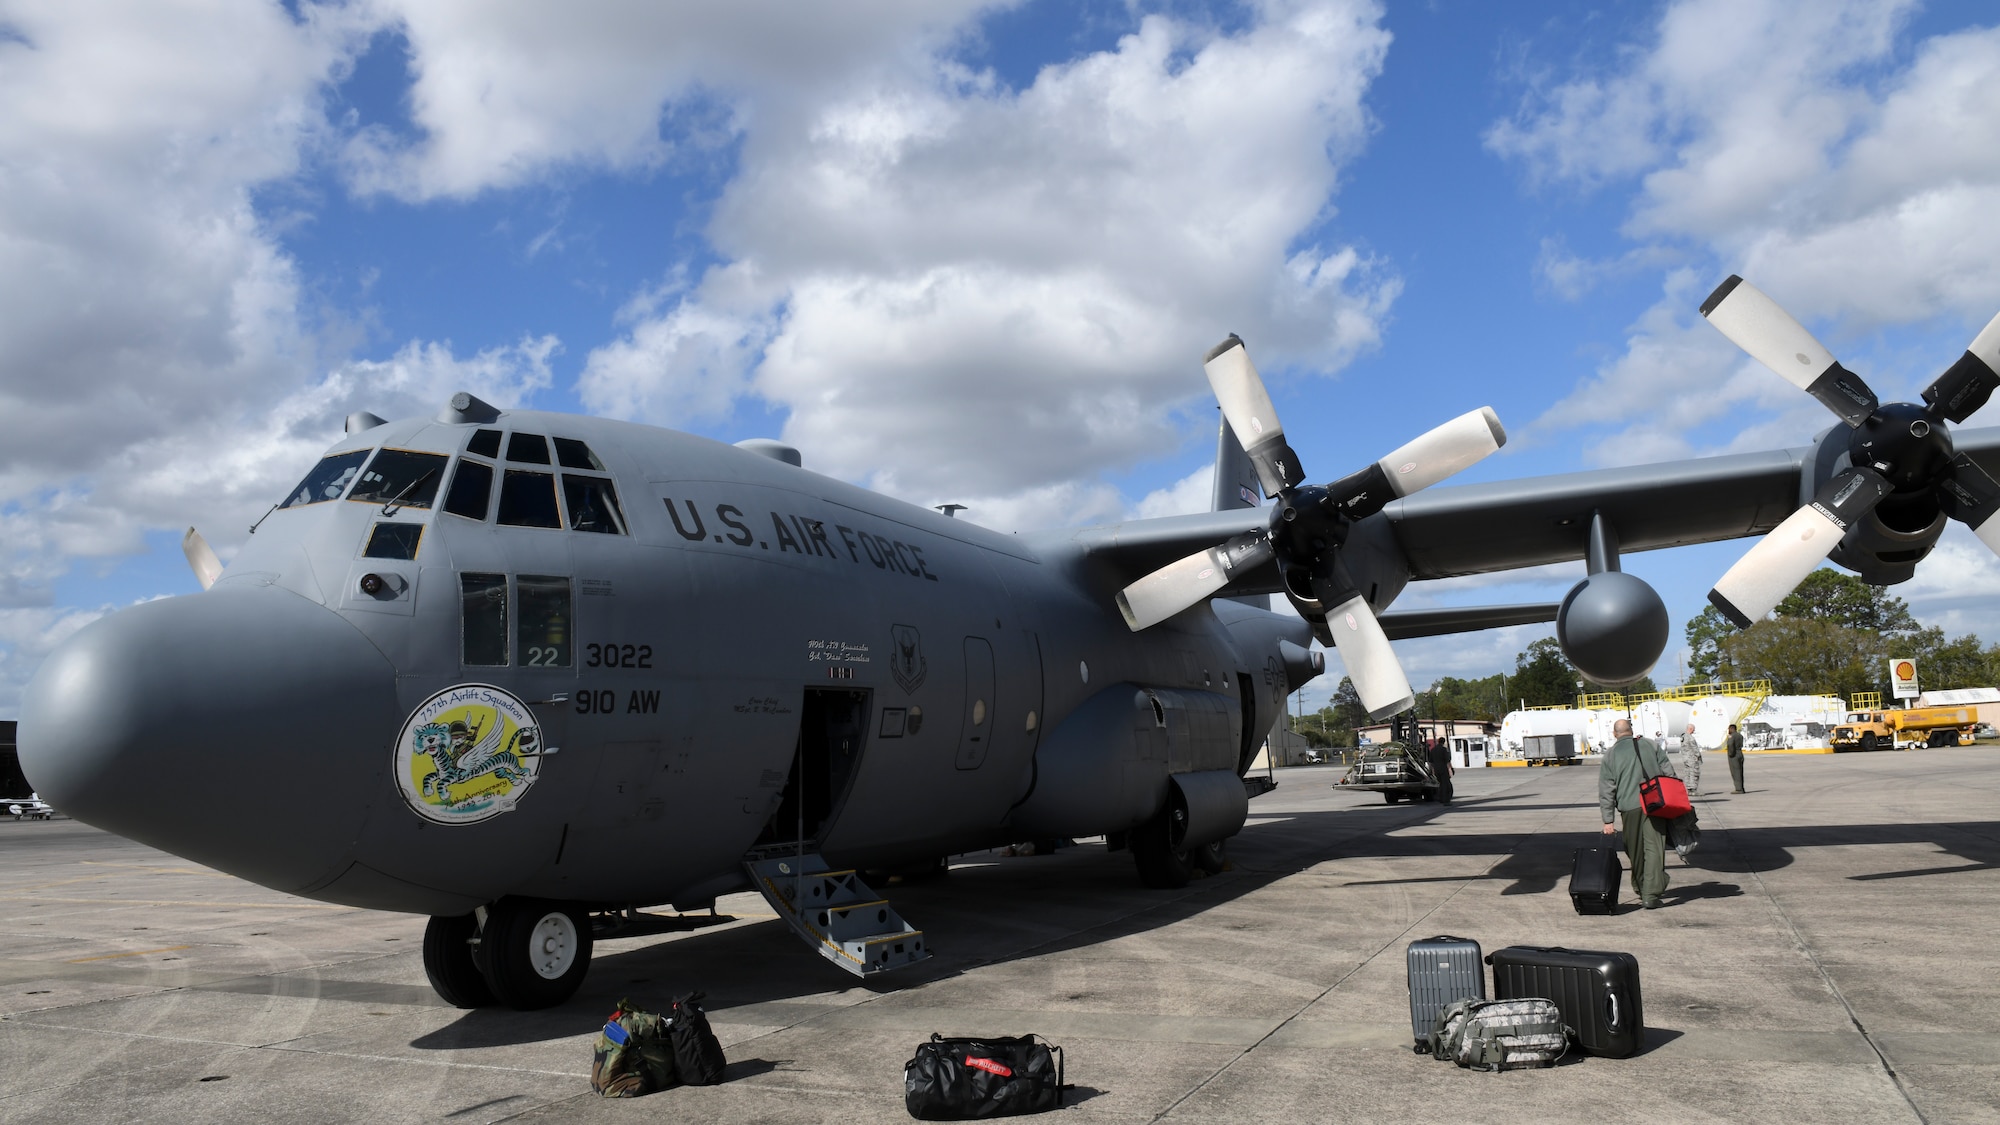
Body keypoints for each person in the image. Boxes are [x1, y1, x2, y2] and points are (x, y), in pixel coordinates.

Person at [1599, 718, 1678, 909]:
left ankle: (1643, 888)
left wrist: (1608, 820)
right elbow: (1670, 773)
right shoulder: (1650, 745)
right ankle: (1650, 894)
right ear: (1631, 730)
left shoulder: (1610, 755)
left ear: (1614, 734)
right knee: (1654, 849)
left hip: (1630, 807)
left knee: (1634, 850)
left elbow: (1607, 790)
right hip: (1655, 805)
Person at [1681, 722, 1703, 796]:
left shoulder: (1683, 737)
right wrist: (1699, 756)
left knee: (1687, 774)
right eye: (1693, 729)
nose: (1694, 731)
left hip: (1685, 758)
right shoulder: (1690, 738)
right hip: (1692, 758)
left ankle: (1688, 789)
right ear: (1690, 729)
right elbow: (1695, 748)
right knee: (1694, 774)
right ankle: (1693, 790)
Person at [1727, 722, 1746, 793]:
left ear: (1732, 729)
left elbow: (1730, 744)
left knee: (1735, 772)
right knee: (1740, 772)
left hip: (1734, 755)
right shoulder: (1739, 735)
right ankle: (1741, 787)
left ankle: (1738, 789)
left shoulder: (1731, 736)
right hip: (1740, 753)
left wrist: (1731, 754)